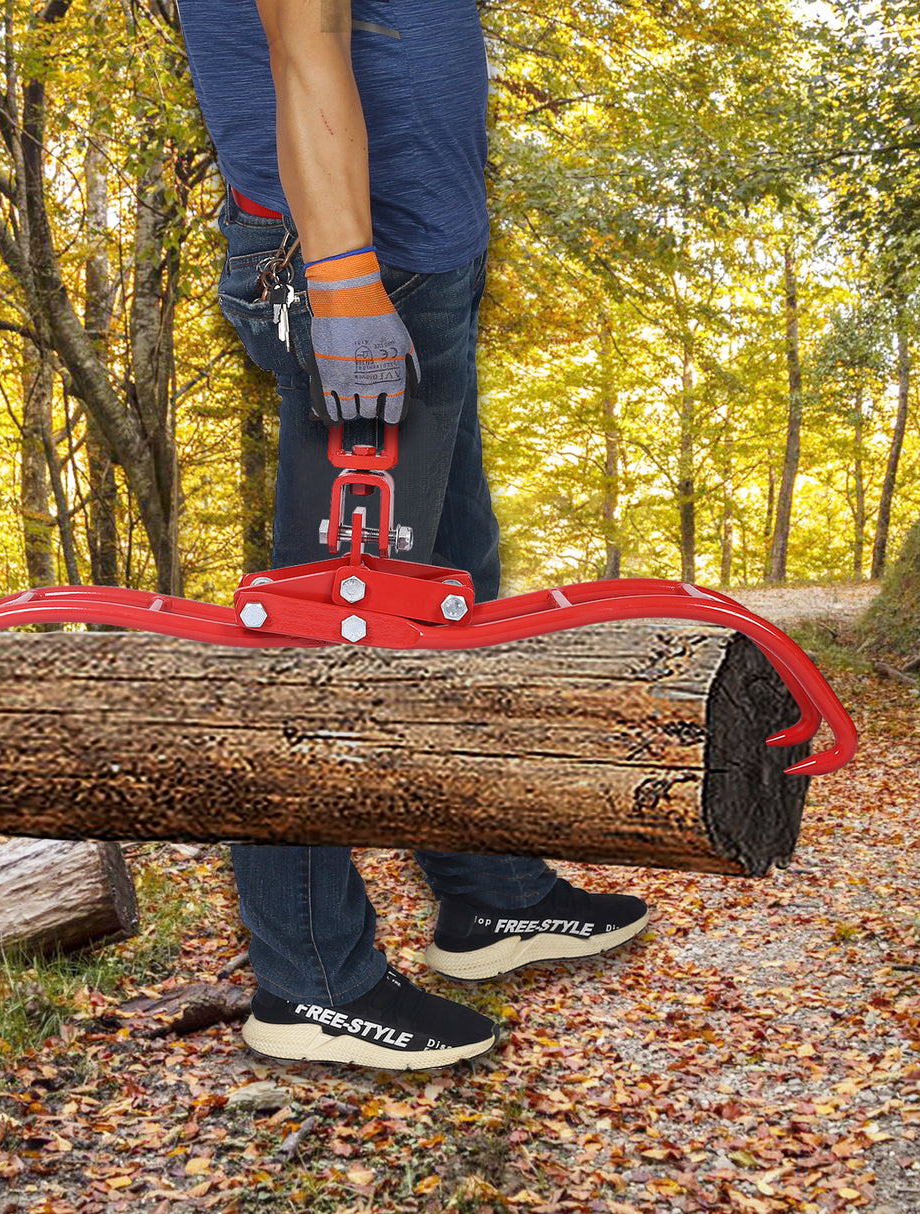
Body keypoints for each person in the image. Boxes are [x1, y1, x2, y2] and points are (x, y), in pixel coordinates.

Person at [174, 0, 650, 1071]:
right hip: (356, 267)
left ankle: (489, 897)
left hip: (420, 267)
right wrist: (342, 281)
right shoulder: (348, 274)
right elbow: (305, 37)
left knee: (453, 603)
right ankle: (309, 983)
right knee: (324, 647)